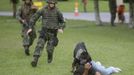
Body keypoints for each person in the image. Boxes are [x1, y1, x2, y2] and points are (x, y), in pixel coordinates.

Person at [27, 0, 65, 67]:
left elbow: (63, 22)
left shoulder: (57, 11)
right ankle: (35, 60)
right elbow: (34, 18)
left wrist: (61, 28)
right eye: (50, 3)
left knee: (49, 49)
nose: (52, 4)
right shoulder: (43, 9)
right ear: (48, 3)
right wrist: (30, 27)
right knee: (39, 45)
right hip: (44, 32)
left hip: (53, 34)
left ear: (55, 3)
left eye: (53, 3)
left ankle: (50, 56)